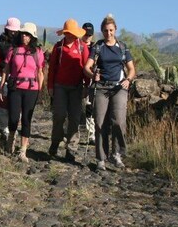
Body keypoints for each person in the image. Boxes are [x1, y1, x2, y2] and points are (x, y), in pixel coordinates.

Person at [83, 14, 135, 171]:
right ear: (101, 31)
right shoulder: (98, 47)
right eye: (105, 31)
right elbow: (86, 67)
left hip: (119, 88)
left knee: (118, 121)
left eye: (111, 30)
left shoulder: (123, 48)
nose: (108, 33)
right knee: (99, 123)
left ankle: (116, 153)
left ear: (115, 30)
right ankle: (101, 158)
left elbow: (131, 69)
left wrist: (128, 79)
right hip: (101, 87)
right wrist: (93, 75)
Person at [0, 22, 44, 163]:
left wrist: (39, 90)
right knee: (13, 117)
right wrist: (2, 85)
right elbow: (6, 69)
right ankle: (11, 140)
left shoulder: (38, 52)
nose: (25, 37)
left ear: (32, 37)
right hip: (15, 87)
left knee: (26, 119)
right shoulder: (13, 50)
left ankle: (23, 150)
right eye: (23, 34)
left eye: (28, 35)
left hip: (31, 89)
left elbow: (40, 72)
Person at [47, 19, 90, 162]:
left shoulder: (82, 47)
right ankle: (56, 140)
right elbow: (52, 68)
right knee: (58, 115)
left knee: (75, 118)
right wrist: (50, 86)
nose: (71, 36)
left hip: (77, 88)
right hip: (60, 86)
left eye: (72, 33)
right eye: (68, 33)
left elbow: (86, 68)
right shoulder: (58, 47)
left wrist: (87, 86)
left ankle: (71, 149)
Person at [0, 17, 21, 144]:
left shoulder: (21, 42)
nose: (13, 33)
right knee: (3, 105)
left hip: (17, 78)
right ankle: (4, 130)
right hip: (1, 76)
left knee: (16, 106)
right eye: (11, 30)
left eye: (15, 30)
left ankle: (13, 130)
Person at [81, 22, 96, 144]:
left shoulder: (95, 48)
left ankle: (91, 133)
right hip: (76, 80)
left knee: (90, 107)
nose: (87, 36)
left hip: (90, 79)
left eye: (89, 34)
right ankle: (68, 131)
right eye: (85, 34)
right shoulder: (77, 46)